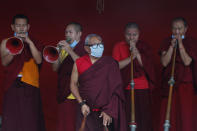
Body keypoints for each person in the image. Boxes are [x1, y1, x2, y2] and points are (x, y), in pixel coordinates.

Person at [70, 34, 127, 131]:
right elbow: (73, 84)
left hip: (105, 113)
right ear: (86, 48)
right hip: (85, 110)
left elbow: (116, 90)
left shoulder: (110, 63)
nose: (99, 47)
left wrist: (109, 111)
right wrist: (81, 103)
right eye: (95, 45)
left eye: (101, 45)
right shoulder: (79, 62)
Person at [0, 14, 45, 131]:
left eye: (23, 25)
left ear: (28, 27)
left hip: (29, 85)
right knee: (12, 119)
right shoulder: (6, 42)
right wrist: (14, 50)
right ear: (12, 27)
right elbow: (4, 62)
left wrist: (29, 43)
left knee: (29, 119)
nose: (21, 28)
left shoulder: (34, 42)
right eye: (18, 25)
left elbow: (39, 60)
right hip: (12, 84)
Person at [112, 22, 156, 131]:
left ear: (139, 34)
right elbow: (115, 66)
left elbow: (147, 66)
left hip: (142, 87)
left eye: (134, 35)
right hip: (125, 87)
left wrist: (136, 52)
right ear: (124, 34)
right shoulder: (119, 46)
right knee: (127, 118)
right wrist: (131, 58)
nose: (131, 37)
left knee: (143, 119)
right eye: (128, 34)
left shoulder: (144, 46)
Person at [159, 17, 197, 131]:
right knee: (170, 116)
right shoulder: (166, 42)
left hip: (185, 86)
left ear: (185, 29)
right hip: (170, 84)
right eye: (174, 29)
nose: (177, 32)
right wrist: (171, 46)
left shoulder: (191, 42)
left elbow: (187, 61)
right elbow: (165, 62)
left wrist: (180, 44)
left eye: (180, 29)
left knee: (185, 117)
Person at [52, 22, 86, 131]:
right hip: (64, 92)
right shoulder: (63, 49)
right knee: (65, 125)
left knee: (76, 125)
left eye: (70, 32)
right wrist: (56, 54)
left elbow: (83, 65)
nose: (67, 34)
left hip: (78, 94)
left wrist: (70, 51)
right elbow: (55, 68)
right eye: (66, 32)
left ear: (79, 34)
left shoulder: (85, 48)